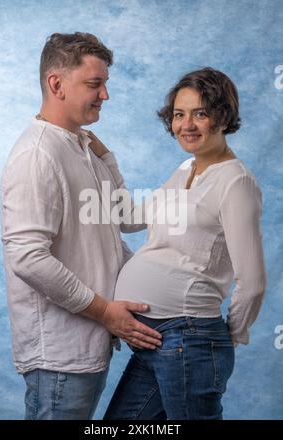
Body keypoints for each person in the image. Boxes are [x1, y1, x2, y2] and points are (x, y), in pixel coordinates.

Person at [0, 32, 162, 420]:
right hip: (60, 358)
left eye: (105, 83)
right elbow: (28, 258)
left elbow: (124, 221)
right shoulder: (37, 155)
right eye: (95, 83)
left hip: (88, 347)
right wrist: (106, 312)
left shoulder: (81, 147)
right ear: (56, 84)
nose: (105, 95)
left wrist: (107, 159)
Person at [100, 67, 267, 420]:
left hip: (189, 340)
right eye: (179, 114)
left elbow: (252, 283)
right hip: (156, 340)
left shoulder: (236, 183)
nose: (186, 125)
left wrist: (217, 341)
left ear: (222, 117)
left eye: (200, 113)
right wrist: (105, 161)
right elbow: (129, 219)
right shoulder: (185, 168)